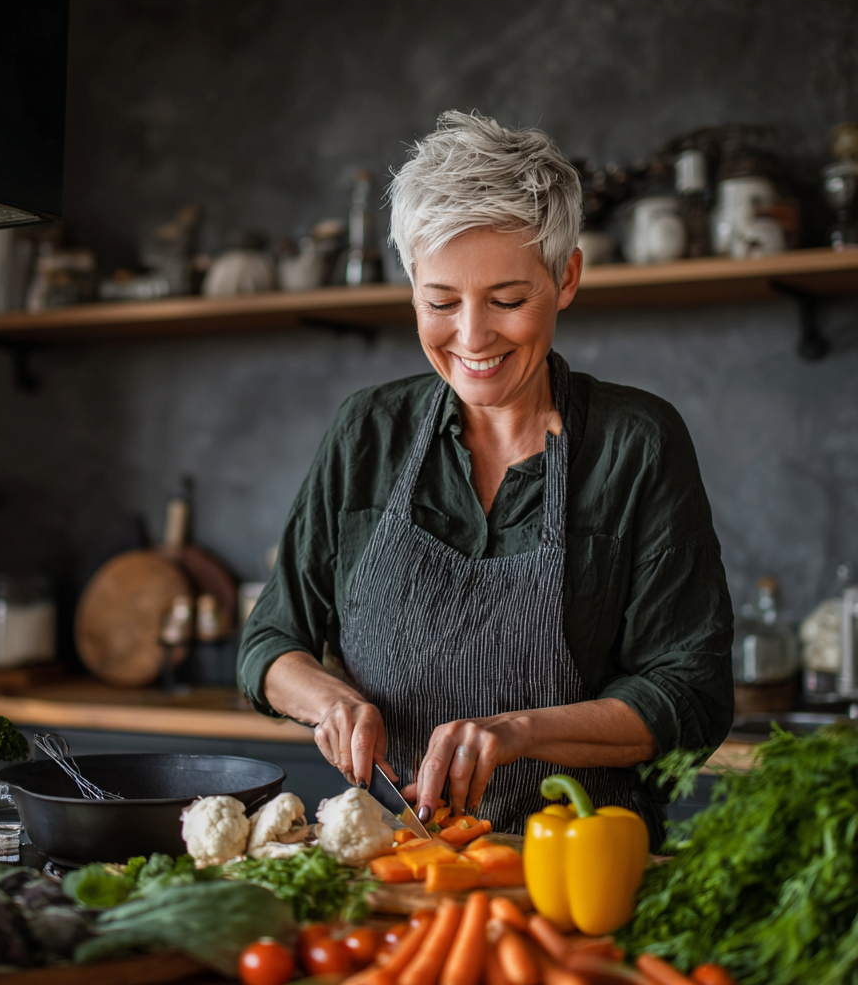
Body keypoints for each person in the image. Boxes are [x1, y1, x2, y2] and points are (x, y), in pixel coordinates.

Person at [237, 111, 733, 842]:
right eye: (440, 302)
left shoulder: (636, 444)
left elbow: (689, 692)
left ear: (565, 278)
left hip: (580, 869)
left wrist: (519, 733)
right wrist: (329, 703)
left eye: (507, 300)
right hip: (399, 867)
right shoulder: (368, 432)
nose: (472, 338)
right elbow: (271, 642)